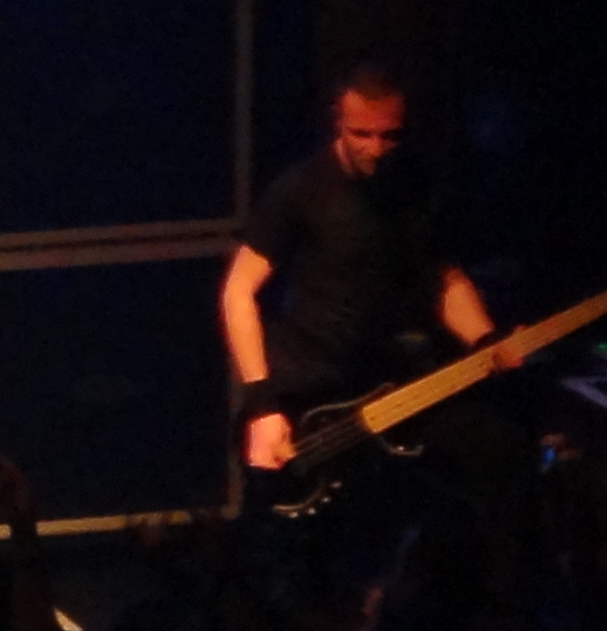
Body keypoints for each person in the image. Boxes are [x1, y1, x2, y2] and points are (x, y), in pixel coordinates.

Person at [221, 62, 520, 479]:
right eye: (361, 134)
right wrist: (261, 404)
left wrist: (486, 340)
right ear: (337, 121)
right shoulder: (300, 189)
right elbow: (238, 291)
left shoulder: (416, 187)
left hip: (386, 385)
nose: (375, 149)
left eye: (388, 135)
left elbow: (442, 279)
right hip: (308, 393)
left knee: (496, 447)